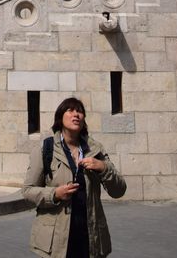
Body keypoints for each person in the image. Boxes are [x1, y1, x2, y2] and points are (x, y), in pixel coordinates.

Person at [23, 96, 126, 258]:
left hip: (90, 236)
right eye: (70, 110)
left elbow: (119, 190)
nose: (76, 114)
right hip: (57, 238)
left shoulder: (95, 149)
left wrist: (103, 167)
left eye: (79, 111)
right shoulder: (45, 149)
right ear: (60, 117)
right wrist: (54, 194)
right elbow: (28, 190)